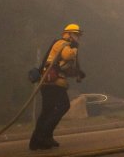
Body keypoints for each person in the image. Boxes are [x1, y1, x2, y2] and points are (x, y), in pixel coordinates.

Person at [29, 23, 86, 151]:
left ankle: (36, 142)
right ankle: (44, 136)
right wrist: (75, 48)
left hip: (51, 84)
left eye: (79, 35)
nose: (78, 38)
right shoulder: (62, 43)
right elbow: (68, 55)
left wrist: (78, 73)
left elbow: (63, 67)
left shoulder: (64, 45)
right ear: (69, 34)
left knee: (47, 111)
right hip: (53, 84)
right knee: (64, 105)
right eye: (76, 35)